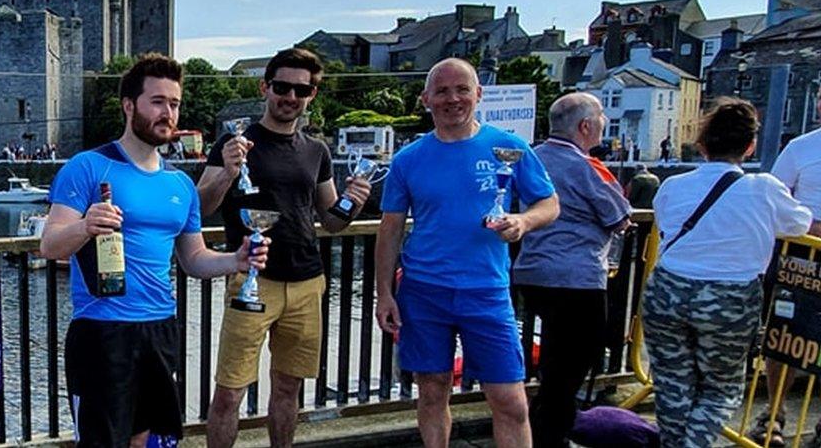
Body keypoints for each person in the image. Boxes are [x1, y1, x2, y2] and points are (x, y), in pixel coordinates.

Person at [40, 54, 269, 448]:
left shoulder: (181, 184)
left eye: (175, 103)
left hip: (161, 328)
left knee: (149, 441)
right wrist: (84, 226)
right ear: (129, 106)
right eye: (158, 101)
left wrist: (236, 259)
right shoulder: (88, 167)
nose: (169, 113)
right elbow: (49, 245)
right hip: (103, 331)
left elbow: (193, 259)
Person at [375, 58, 560, 448]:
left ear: (478, 95)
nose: (452, 99)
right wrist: (385, 295)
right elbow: (390, 230)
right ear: (426, 99)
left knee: (510, 401)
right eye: (441, 91)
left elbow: (549, 203)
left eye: (462, 89)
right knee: (432, 389)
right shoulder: (408, 159)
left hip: (486, 290)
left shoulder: (508, 146)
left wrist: (523, 222)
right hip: (423, 290)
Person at [200, 48, 372, 448]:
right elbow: (203, 207)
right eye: (282, 87)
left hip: (307, 281)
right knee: (229, 393)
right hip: (251, 280)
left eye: (302, 89)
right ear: (265, 87)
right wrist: (227, 172)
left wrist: (353, 202)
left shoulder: (317, 151)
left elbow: (330, 219)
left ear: (312, 95)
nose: (290, 97)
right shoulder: (235, 143)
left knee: (287, 388)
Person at [641, 97, 811, 448]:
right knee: (721, 389)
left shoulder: (673, 186)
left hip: (668, 290)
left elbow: (666, 221)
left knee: (672, 385)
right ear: (749, 147)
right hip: (729, 297)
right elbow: (799, 223)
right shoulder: (763, 188)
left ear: (701, 144)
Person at [513, 92, 632, 448]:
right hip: (576, 278)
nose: (604, 126)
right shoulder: (586, 166)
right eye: (600, 120)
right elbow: (620, 216)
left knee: (554, 358)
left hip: (531, 273)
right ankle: (549, 436)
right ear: (585, 127)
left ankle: (541, 431)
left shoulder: (529, 157)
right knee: (577, 363)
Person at [750, 85, 821, 447]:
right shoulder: (801, 148)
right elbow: (775, 203)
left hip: (803, 248)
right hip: (800, 258)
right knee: (785, 340)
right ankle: (772, 415)